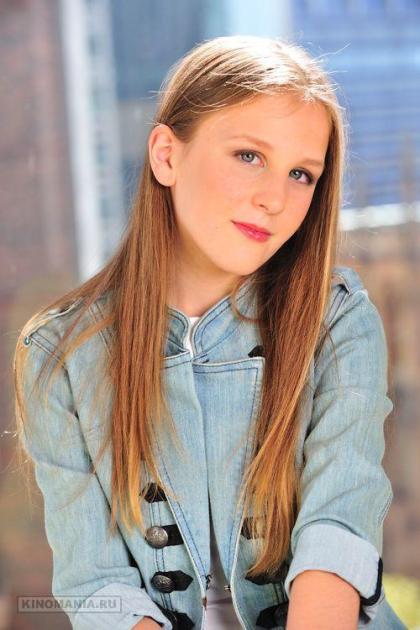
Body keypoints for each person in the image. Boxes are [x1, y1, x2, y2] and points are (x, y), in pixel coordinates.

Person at [13, 35, 407, 630]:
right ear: (166, 156)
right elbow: (95, 585)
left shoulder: (337, 318)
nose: (274, 198)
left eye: (301, 174)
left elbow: (339, 526)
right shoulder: (58, 355)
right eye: (249, 155)